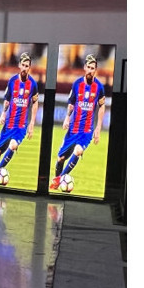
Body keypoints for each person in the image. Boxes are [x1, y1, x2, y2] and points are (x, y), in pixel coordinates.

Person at [50, 53, 106, 190]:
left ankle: (58, 180)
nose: (90, 70)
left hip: (86, 130)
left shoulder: (99, 87)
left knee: (78, 150)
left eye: (93, 68)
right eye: (88, 67)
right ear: (84, 67)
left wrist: (98, 127)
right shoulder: (77, 84)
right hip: (73, 128)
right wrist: (67, 118)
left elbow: (102, 106)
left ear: (95, 70)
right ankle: (58, 181)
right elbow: (71, 103)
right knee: (61, 158)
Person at [0, 52, 38, 183]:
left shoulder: (33, 84)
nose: (24, 68)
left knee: (13, 145)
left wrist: (32, 123)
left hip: (21, 125)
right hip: (9, 123)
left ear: (29, 67)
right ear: (19, 65)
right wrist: (3, 114)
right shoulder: (12, 81)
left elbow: (35, 103)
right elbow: (7, 100)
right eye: (23, 65)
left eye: (27, 66)